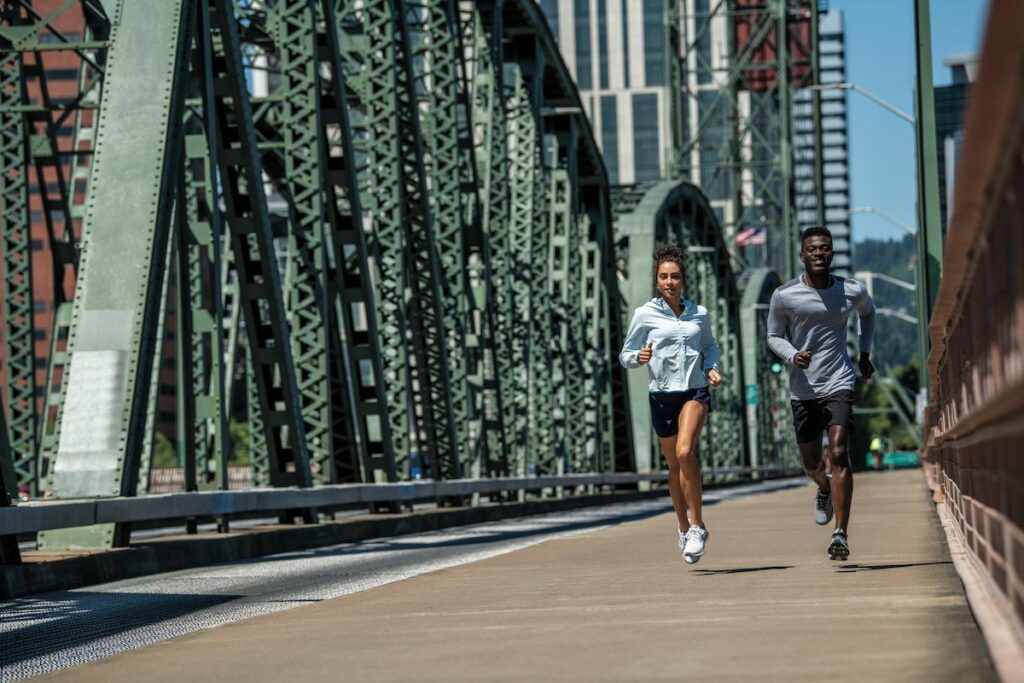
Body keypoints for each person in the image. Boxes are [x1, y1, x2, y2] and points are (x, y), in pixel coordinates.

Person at [767, 226, 876, 561]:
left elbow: (868, 314)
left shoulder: (851, 290)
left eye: (824, 248)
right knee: (812, 463)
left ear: (832, 253)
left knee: (840, 451)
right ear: (802, 255)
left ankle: (840, 533)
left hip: (839, 381)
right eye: (812, 249)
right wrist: (792, 355)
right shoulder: (784, 295)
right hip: (803, 389)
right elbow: (773, 336)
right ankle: (823, 487)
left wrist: (864, 353)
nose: (818, 253)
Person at [619, 243, 723, 565]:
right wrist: (640, 357)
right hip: (661, 394)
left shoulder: (699, 314)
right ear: (657, 280)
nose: (669, 282)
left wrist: (711, 368)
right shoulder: (644, 314)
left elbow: (710, 345)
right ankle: (681, 526)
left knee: (684, 451)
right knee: (674, 466)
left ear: (683, 280)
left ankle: (697, 525)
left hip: (694, 391)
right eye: (663, 277)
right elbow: (625, 355)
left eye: (674, 276)